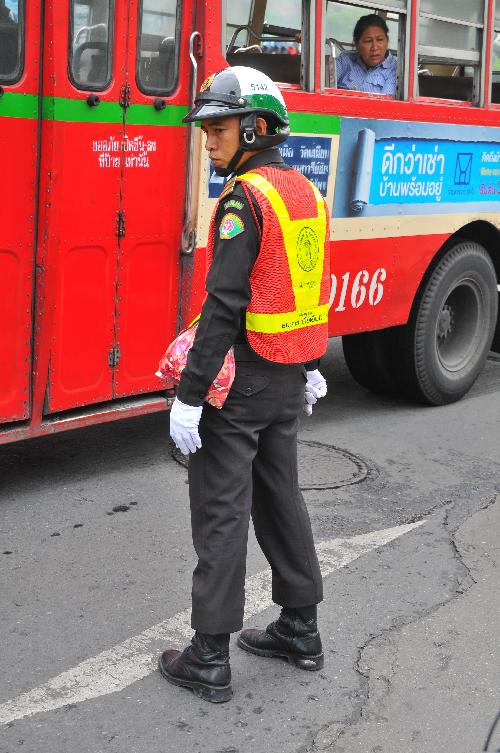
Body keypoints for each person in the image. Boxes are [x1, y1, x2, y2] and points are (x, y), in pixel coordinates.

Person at [158, 66, 330, 703]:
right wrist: (310, 365)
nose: (209, 139)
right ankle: (300, 628)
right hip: (288, 377)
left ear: (255, 127)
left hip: (241, 382)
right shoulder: (304, 193)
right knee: (281, 499)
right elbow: (304, 287)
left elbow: (223, 306)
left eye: (220, 127)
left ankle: (207, 656)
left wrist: (188, 396)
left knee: (222, 513)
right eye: (206, 129)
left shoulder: (243, 199)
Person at [336, 14, 397, 95]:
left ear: (387, 41)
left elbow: (384, 105)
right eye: (368, 41)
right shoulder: (345, 60)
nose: (375, 47)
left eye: (380, 40)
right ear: (357, 45)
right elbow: (323, 84)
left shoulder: (394, 70)